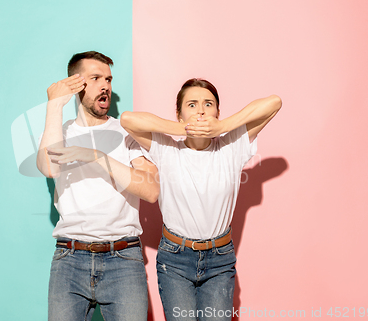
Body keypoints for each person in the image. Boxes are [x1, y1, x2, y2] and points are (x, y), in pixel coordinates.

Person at [120, 78, 282, 321]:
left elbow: (274, 103)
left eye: (208, 104)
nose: (201, 110)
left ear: (217, 111)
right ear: (179, 113)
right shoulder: (167, 148)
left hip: (220, 259)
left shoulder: (231, 146)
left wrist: (223, 126)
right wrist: (182, 129)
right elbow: (127, 120)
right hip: (174, 259)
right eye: (192, 105)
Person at [36, 51, 159, 321]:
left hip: (123, 259)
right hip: (70, 259)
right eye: (95, 78)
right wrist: (54, 105)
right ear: (77, 83)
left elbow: (151, 190)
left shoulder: (126, 133)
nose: (105, 85)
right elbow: (48, 167)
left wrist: (97, 157)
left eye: (109, 79)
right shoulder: (62, 132)